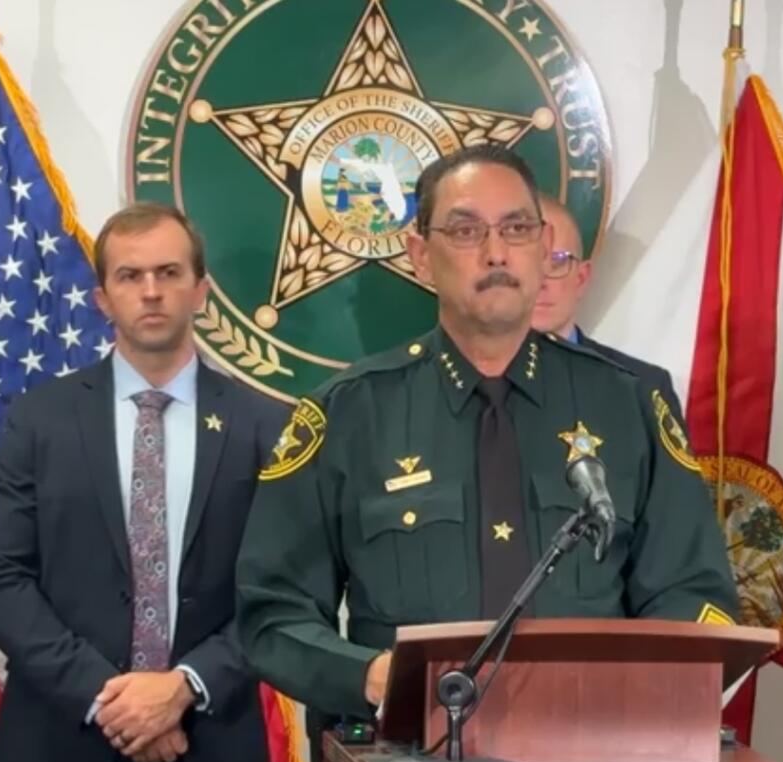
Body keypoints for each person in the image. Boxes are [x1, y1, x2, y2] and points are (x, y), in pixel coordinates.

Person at [236, 145, 739, 722]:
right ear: (421, 256)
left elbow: (695, 591)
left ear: (543, 248)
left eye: (517, 228)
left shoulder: (629, 405)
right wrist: (372, 677)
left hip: (589, 746)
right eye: (466, 230)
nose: (496, 252)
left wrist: (633, 693)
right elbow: (272, 611)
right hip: (405, 747)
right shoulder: (349, 414)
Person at [0, 203, 286, 762]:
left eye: (168, 273)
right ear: (102, 299)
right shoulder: (37, 420)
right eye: (129, 276)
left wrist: (184, 687)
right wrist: (110, 700)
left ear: (200, 291)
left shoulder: (264, 425)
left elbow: (286, 590)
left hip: (211, 736)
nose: (150, 291)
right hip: (57, 735)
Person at [531, 196, 689, 430]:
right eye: (529, 265)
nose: (540, 281)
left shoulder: (644, 392)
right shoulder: (472, 383)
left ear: (582, 279)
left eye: (557, 263)